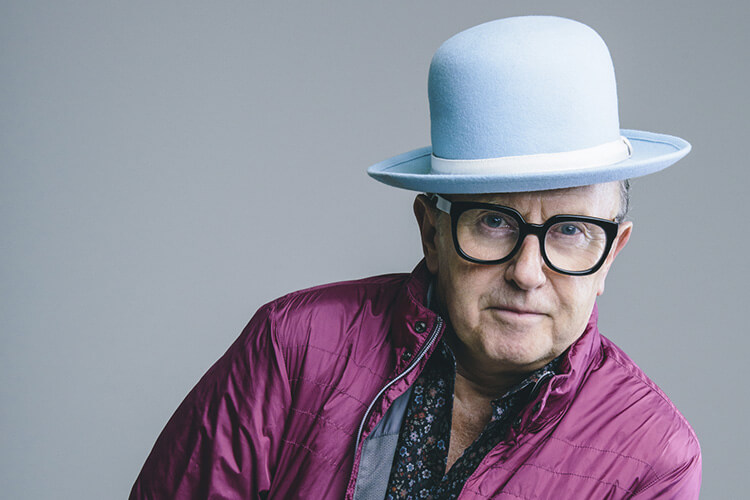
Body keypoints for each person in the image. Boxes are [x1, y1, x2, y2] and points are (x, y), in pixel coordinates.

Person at [130, 16, 701, 499]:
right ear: (431, 231)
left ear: (611, 253)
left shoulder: (654, 458)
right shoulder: (292, 346)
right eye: (494, 222)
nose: (527, 273)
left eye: (571, 230)